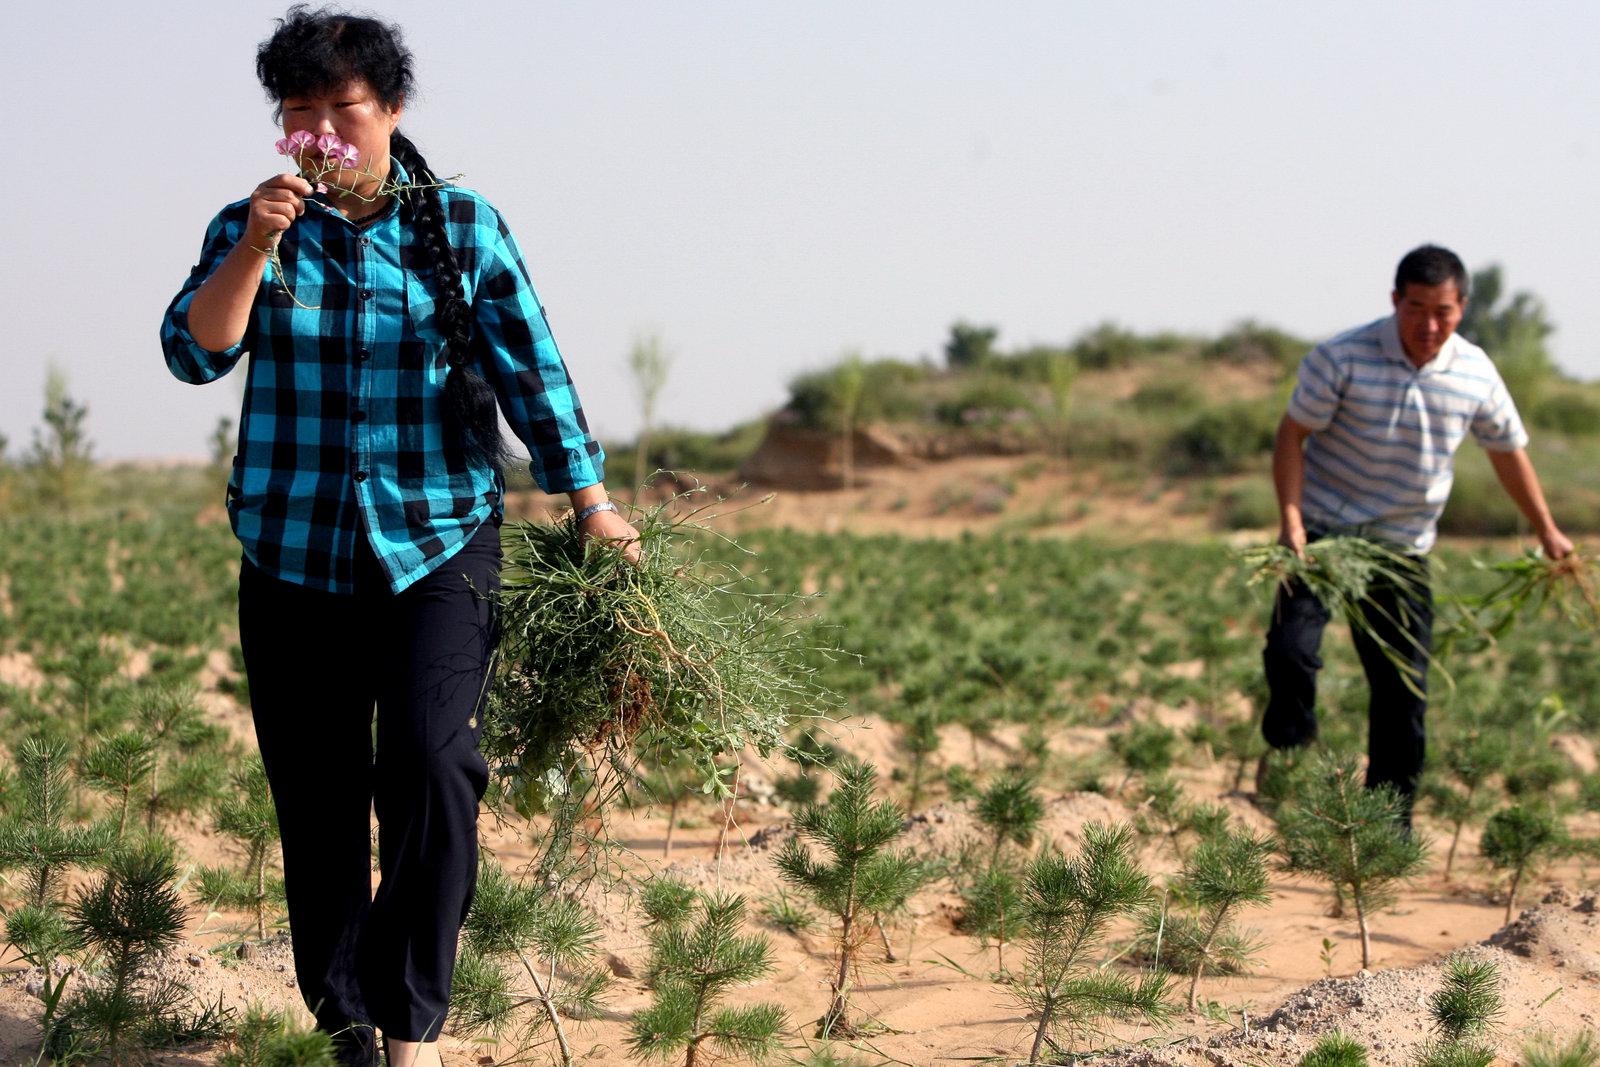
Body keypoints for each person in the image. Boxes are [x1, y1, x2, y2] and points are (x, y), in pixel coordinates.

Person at [159, 8, 637, 1065]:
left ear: (390, 111)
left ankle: (412, 1022)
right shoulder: (250, 224)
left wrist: (591, 499)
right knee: (318, 800)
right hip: (294, 553)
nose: (324, 130)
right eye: (301, 113)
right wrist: (255, 241)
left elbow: (531, 367)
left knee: (431, 767)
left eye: (345, 108)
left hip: (438, 540)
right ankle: (348, 1029)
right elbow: (195, 356)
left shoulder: (463, 225)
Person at [1260, 244, 1571, 826]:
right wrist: (1292, 520)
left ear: (1463, 308)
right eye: (1417, 308)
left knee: (1402, 692)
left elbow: (1507, 453)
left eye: (1444, 312)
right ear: (1395, 300)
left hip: (1403, 547)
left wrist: (1547, 529)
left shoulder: (1475, 371)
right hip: (1324, 534)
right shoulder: (1342, 357)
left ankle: (1389, 824)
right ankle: (1288, 748)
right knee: (1291, 653)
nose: (1429, 325)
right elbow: (1291, 434)